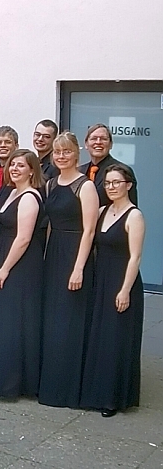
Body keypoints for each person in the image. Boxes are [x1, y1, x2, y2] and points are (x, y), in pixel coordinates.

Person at [0, 149, 45, 398]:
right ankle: (4, 379)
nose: (15, 168)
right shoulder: (11, 192)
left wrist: (5, 268)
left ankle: (13, 382)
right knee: (7, 319)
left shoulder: (28, 196)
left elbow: (24, 238)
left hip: (20, 263)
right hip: (6, 255)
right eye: (12, 165)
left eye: (21, 165)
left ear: (32, 170)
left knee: (15, 320)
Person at [38, 132, 98, 408]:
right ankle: (51, 385)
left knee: (70, 321)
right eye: (57, 152)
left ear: (77, 153)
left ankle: (69, 388)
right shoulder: (50, 184)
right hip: (55, 253)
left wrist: (78, 268)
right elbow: (50, 224)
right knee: (52, 321)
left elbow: (89, 230)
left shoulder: (85, 186)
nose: (61, 156)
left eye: (67, 151)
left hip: (75, 253)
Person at [80, 164, 145, 417]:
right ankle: (97, 392)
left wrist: (125, 290)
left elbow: (135, 257)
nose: (111, 187)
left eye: (116, 182)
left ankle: (114, 398)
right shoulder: (102, 211)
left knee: (117, 339)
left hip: (121, 281)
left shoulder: (134, 216)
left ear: (128, 184)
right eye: (108, 183)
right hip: (101, 279)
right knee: (100, 336)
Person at [79, 123, 138, 206]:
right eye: (94, 138)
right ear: (86, 144)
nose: (98, 142)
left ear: (111, 144)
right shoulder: (79, 172)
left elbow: (130, 208)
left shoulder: (123, 171)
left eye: (103, 139)